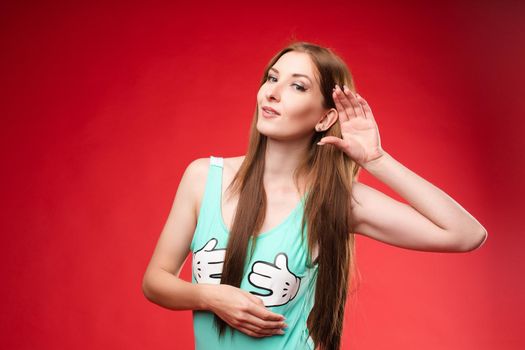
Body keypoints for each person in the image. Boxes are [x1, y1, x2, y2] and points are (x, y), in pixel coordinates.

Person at [141, 41, 488, 350]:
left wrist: (377, 160)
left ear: (325, 118)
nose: (272, 93)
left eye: (297, 86)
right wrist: (210, 297)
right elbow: (155, 281)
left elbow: (466, 234)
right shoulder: (204, 177)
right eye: (272, 78)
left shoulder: (336, 201)